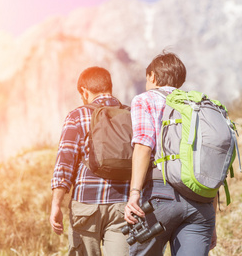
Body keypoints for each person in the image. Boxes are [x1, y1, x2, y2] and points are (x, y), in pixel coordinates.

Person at [124, 51, 218, 256]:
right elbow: (211, 161)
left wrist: (134, 194)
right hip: (201, 203)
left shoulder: (145, 100)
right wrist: (212, 221)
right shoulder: (199, 105)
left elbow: (143, 145)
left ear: (152, 77)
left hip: (159, 197)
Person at [50, 66, 130, 256]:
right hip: (123, 204)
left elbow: (65, 163)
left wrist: (56, 205)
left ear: (84, 92)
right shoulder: (131, 114)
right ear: (110, 87)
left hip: (86, 203)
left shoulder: (77, 116)